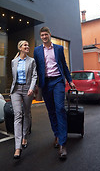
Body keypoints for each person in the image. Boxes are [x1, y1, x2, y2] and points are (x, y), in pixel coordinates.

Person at [34, 27, 75, 159]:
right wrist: (34, 85)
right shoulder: (37, 50)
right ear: (41, 37)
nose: (44, 36)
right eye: (42, 35)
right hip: (45, 83)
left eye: (46, 34)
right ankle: (57, 134)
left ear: (50, 35)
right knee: (51, 111)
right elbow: (35, 69)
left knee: (60, 109)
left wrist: (70, 80)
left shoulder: (58, 49)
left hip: (58, 81)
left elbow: (64, 65)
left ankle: (62, 144)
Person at [10, 40, 37, 159]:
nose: (27, 46)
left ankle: (25, 136)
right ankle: (17, 147)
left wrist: (31, 88)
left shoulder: (32, 61)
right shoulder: (13, 61)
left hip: (27, 89)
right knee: (17, 115)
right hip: (16, 90)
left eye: (28, 45)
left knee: (26, 113)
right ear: (20, 48)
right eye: (25, 45)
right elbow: (14, 77)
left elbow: (34, 75)